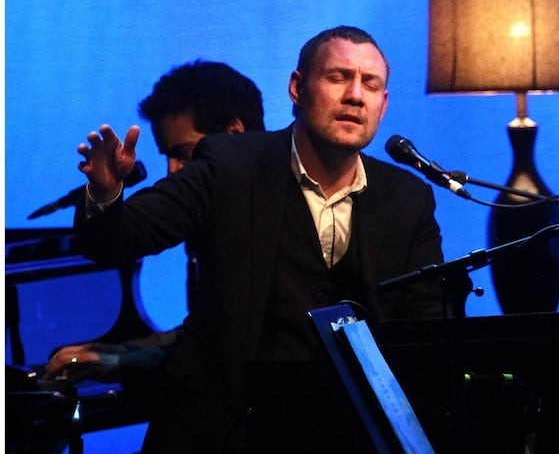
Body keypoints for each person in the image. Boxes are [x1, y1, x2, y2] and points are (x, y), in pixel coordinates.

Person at [69, 25, 447, 453]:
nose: (355, 95)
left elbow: (429, 328)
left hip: (348, 434)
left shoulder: (407, 197)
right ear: (297, 87)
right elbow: (120, 238)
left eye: (371, 84)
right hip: (229, 430)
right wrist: (104, 196)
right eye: (338, 77)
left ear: (383, 105)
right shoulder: (230, 165)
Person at [44, 60, 265, 388]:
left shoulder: (272, 208)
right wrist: (104, 193)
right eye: (167, 156)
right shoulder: (203, 202)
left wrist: (121, 360)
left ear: (234, 132)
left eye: (184, 153)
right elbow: (207, 324)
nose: (173, 170)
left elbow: (231, 345)